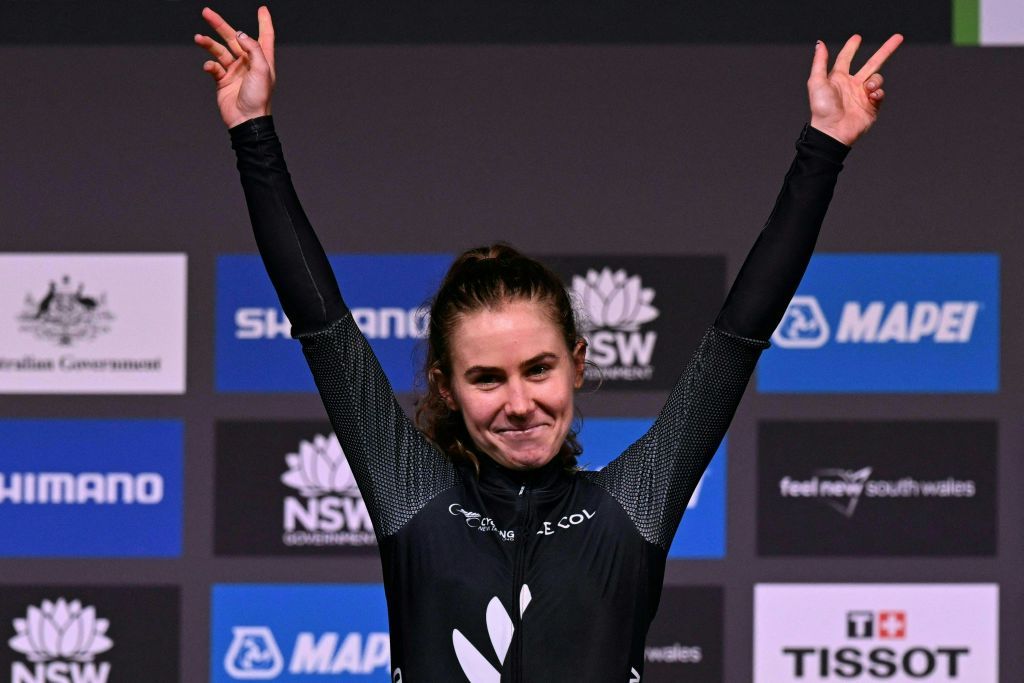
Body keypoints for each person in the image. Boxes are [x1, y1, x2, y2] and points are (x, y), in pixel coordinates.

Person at [195, 8, 902, 681]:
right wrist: (251, 129)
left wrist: (825, 146)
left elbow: (738, 337)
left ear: (579, 363)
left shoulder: (633, 506)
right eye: (487, 378)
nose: (520, 402)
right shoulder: (412, 493)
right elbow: (322, 327)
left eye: (538, 368)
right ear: (446, 387)